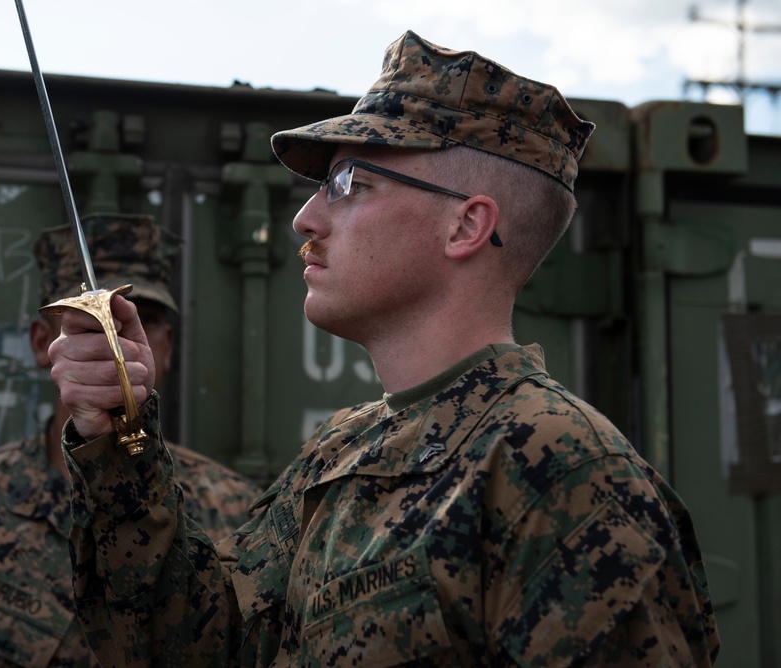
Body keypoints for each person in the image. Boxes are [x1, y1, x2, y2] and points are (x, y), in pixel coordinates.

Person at [48, 32, 721, 667]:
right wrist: (117, 435)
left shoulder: (566, 473)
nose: (305, 219)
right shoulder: (344, 452)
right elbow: (198, 646)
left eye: (351, 185)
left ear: (466, 225)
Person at [0, 214, 263, 667]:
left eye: (138, 319)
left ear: (164, 344)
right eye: (86, 322)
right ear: (39, 342)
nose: (111, 338)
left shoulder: (237, 518)